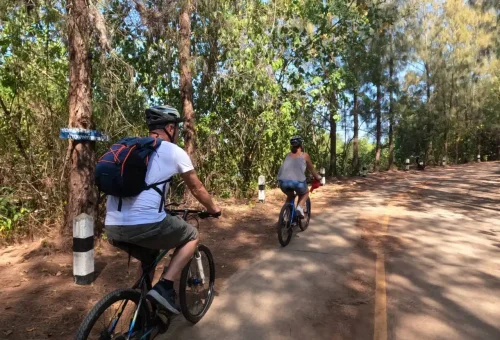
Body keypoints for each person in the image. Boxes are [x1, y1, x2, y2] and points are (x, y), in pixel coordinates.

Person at [105, 105, 221, 315]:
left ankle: (142, 313)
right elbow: (197, 188)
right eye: (176, 128)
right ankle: (165, 286)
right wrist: (214, 209)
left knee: (148, 258)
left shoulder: (134, 148)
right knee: (192, 235)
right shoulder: (174, 151)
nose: (176, 132)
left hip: (112, 226)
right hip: (145, 223)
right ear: (170, 128)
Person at [277, 136, 322, 217]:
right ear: (301, 145)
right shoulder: (305, 155)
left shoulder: (288, 155)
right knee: (305, 193)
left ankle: (287, 216)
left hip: (282, 182)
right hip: (297, 182)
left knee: (290, 196)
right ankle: (300, 208)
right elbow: (312, 170)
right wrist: (318, 178)